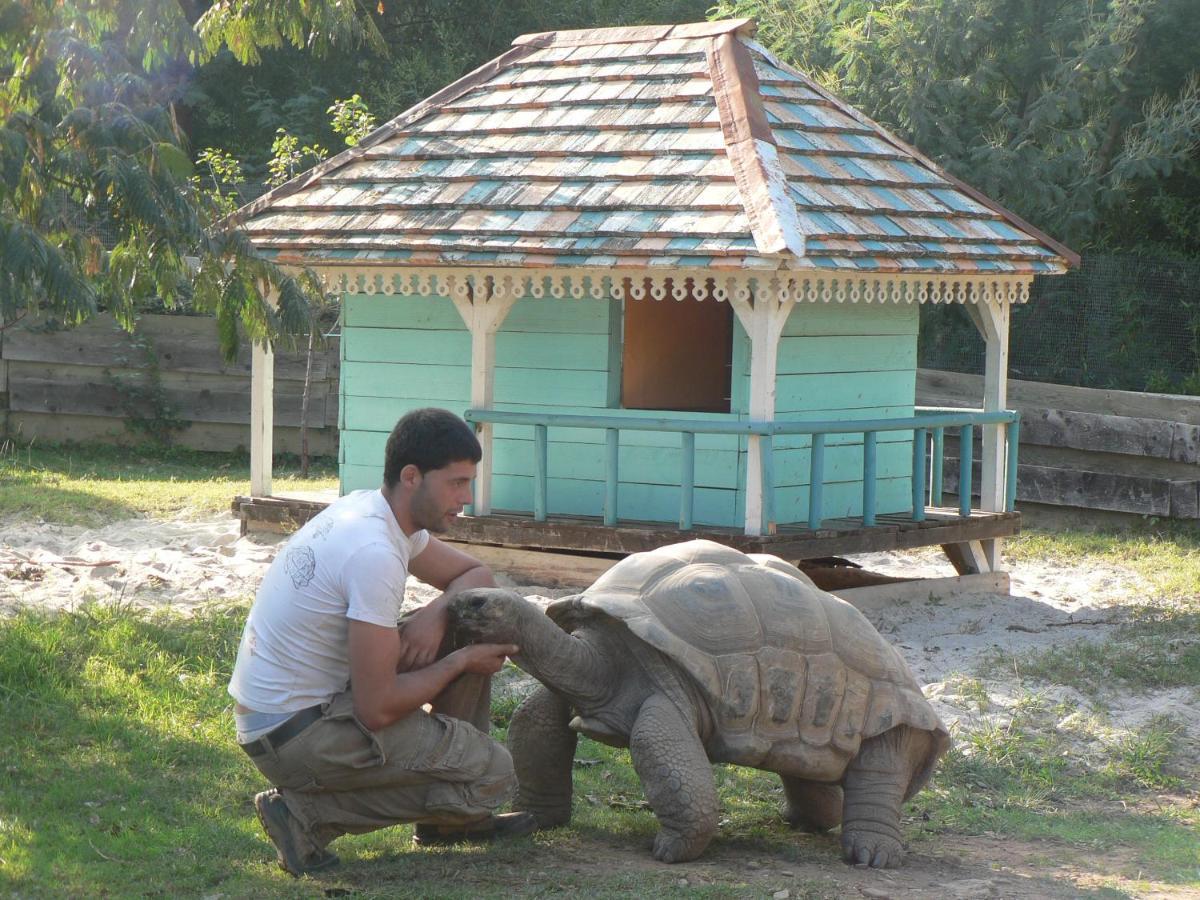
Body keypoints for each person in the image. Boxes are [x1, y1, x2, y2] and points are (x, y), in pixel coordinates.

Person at [229, 408, 535, 876]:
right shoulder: (373, 552)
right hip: (297, 736)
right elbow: (376, 708)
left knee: (468, 613)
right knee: (494, 776)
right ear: (412, 477)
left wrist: (437, 616)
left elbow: (476, 577)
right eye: (455, 483)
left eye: (468, 482)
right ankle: (306, 817)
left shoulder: (375, 512)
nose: (466, 498)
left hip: (291, 715)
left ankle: (452, 820)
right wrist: (461, 662)